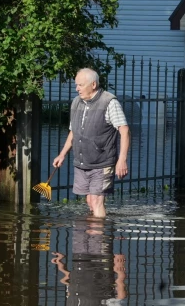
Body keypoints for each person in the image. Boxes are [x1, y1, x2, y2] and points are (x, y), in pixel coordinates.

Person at [53, 68, 130, 217]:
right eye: (76, 85)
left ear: (93, 84)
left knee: (96, 201)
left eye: (80, 85)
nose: (77, 89)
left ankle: (98, 238)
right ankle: (87, 238)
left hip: (103, 162)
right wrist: (62, 154)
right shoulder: (76, 102)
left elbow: (125, 131)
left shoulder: (109, 102)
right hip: (82, 162)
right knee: (89, 201)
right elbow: (73, 132)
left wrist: (122, 159)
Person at [52, 217, 127, 305]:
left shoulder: (72, 302)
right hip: (100, 260)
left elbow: (69, 282)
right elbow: (121, 296)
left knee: (80, 221)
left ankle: (90, 207)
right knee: (98, 223)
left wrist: (60, 264)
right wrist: (120, 272)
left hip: (79, 258)